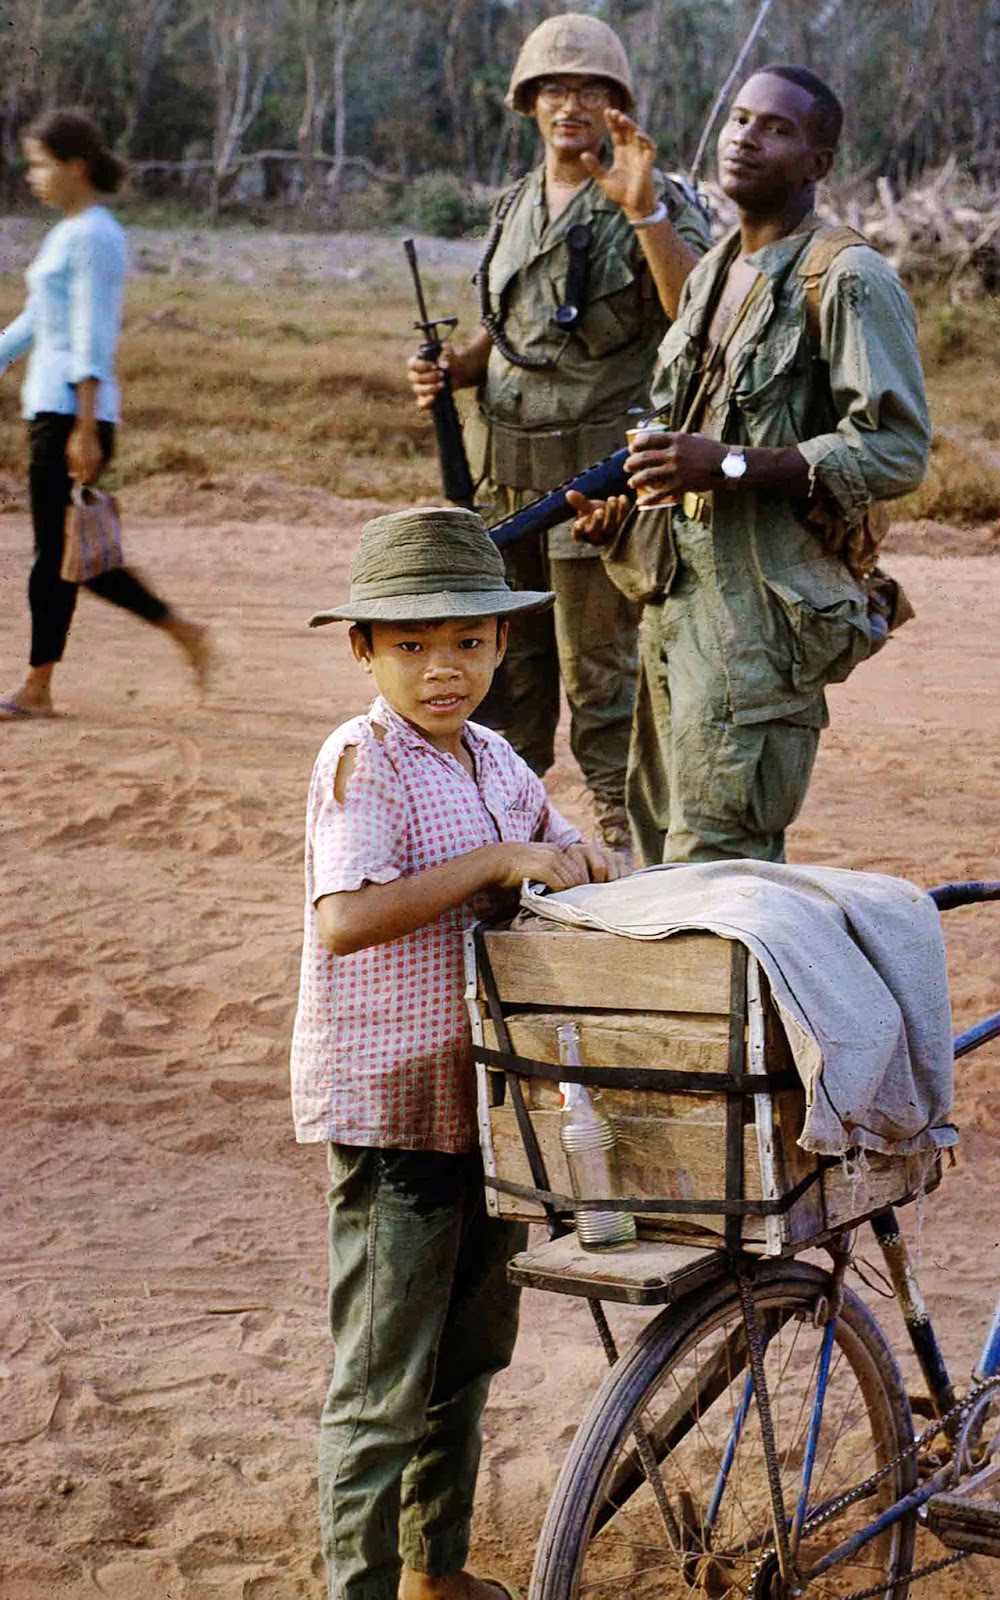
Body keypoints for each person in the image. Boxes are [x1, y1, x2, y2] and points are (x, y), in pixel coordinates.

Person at [291, 505, 618, 1600]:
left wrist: (590, 860)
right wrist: (498, 860)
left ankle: (434, 1569)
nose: (446, 668)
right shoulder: (362, 761)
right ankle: (361, 1586)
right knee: (381, 1381)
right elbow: (345, 916)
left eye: (468, 641)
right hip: (392, 1110)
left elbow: (565, 849)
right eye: (414, 644)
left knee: (467, 1358)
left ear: (502, 642)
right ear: (365, 649)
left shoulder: (493, 758)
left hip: (484, 1105)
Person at [568, 64, 931, 866]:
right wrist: (627, 515)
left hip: (758, 633)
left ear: (819, 161)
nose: (746, 139)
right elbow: (696, 418)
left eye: (777, 127)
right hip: (678, 612)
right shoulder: (720, 266)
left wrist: (727, 465)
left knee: (722, 865)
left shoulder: (847, 278)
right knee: (663, 849)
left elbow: (898, 449)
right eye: (738, 120)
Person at [407, 12, 711, 852]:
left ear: (616, 105)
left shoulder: (652, 202)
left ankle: (631, 853)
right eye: (552, 88)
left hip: (596, 489)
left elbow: (702, 318)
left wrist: (647, 215)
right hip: (502, 482)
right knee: (506, 680)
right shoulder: (513, 206)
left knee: (605, 684)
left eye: (588, 89)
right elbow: (510, 330)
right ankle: (494, 841)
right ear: (527, 102)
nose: (568, 104)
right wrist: (454, 369)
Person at [0, 110, 208, 721]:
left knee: (62, 558)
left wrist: (87, 428)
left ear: (75, 166)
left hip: (72, 415)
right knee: (74, 558)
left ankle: (39, 689)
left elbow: (90, 335)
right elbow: (32, 326)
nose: (33, 175)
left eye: (41, 163)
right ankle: (180, 632)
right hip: (53, 412)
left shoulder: (94, 234)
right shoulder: (68, 234)